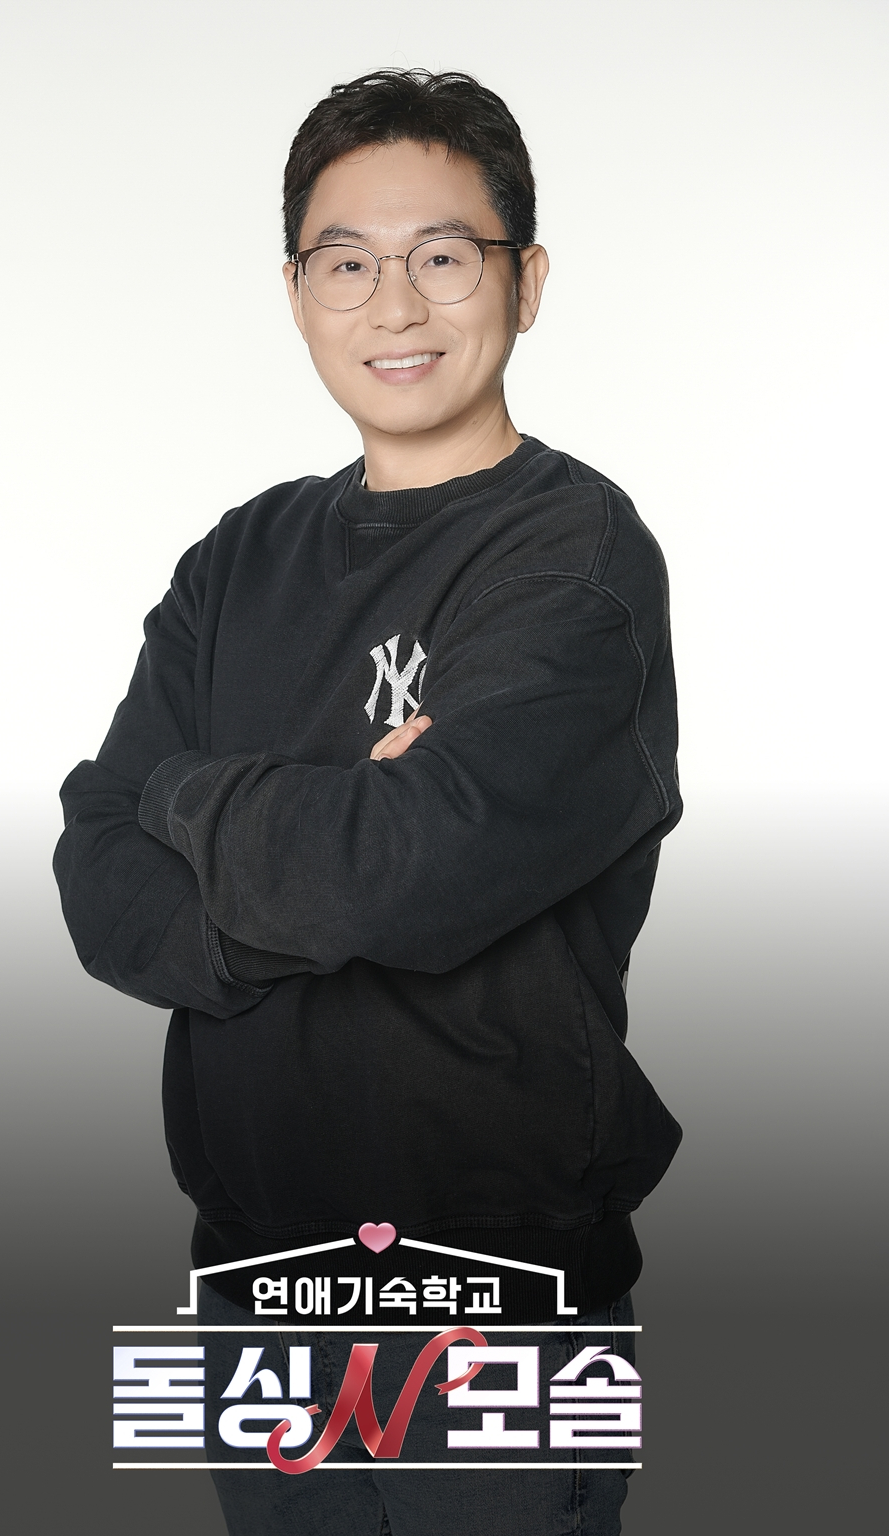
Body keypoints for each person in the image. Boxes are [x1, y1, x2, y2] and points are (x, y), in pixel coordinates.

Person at [55, 68, 682, 1534]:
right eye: (345, 262)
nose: (394, 305)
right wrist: (315, 822)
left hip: (500, 1292)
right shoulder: (237, 560)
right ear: (296, 293)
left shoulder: (576, 559)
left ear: (527, 281)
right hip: (255, 1286)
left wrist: (189, 800)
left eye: (443, 255)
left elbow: (406, 870)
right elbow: (98, 873)